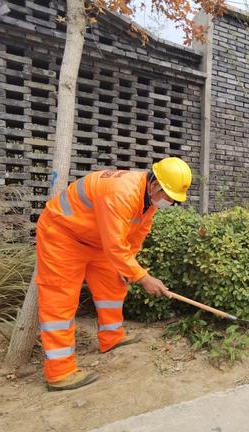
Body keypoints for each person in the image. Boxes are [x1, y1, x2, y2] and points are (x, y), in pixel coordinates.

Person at [36, 157, 192, 391]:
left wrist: (129, 271)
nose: (169, 202)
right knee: (60, 300)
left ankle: (112, 337)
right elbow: (116, 247)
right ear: (154, 184)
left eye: (173, 200)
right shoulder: (122, 192)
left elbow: (136, 237)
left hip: (98, 242)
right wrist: (142, 277)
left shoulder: (147, 201)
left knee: (114, 285)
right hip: (63, 236)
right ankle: (60, 372)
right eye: (168, 196)